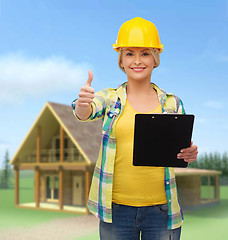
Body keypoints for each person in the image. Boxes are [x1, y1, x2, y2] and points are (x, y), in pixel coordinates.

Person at [71, 17, 198, 240]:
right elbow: (86, 112)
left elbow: (182, 151)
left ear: (155, 58)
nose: (137, 61)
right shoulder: (109, 98)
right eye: (130, 53)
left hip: (162, 211)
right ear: (121, 60)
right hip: (116, 211)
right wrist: (82, 104)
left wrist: (190, 153)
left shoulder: (172, 104)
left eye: (145, 53)